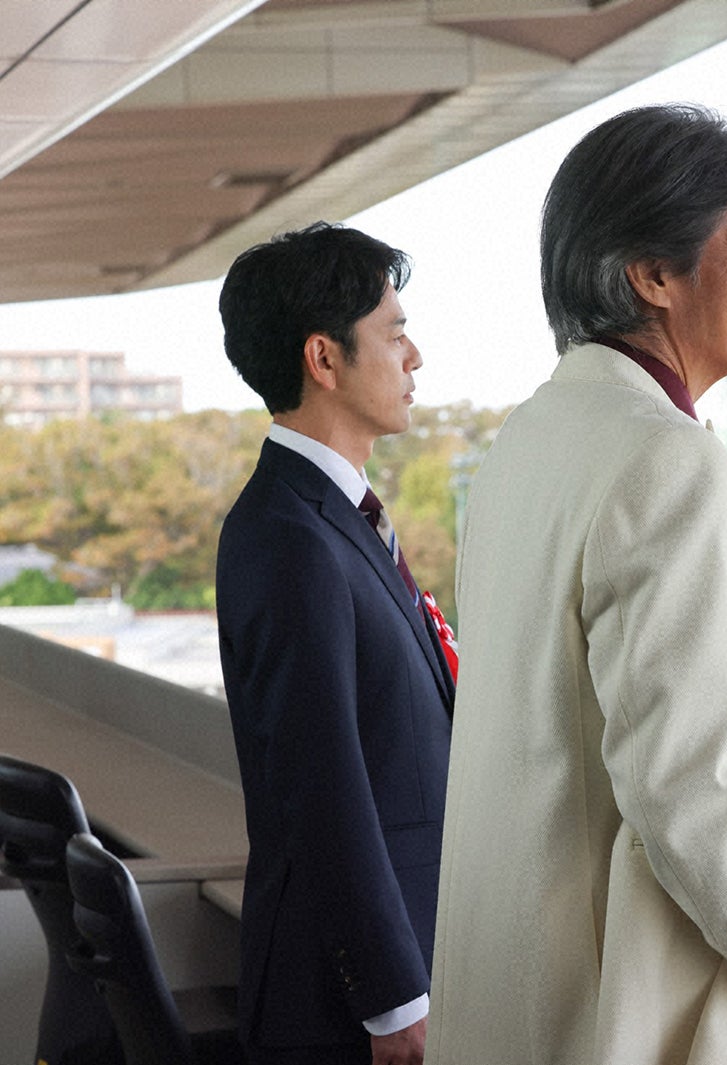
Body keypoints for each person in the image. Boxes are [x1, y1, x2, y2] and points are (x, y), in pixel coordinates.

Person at [428, 104, 727, 1064]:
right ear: (654, 275)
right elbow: (682, 783)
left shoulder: (531, 438)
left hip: (522, 997)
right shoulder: (665, 458)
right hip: (637, 1011)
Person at [216, 222, 454, 1065]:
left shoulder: (337, 519)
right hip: (346, 1012)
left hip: (396, 966)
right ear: (324, 357)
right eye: (394, 333)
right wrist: (394, 1000)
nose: (414, 356)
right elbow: (320, 783)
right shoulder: (290, 535)